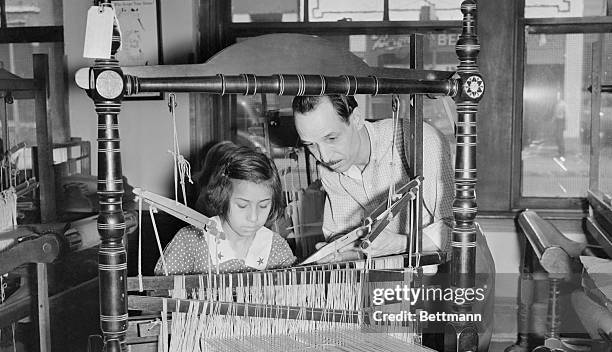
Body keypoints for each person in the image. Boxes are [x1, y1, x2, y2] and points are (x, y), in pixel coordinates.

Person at [292, 94, 454, 262]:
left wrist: (400, 244)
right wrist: (341, 249)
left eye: (332, 138)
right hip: (394, 280)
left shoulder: (419, 141)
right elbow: (343, 234)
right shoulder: (331, 168)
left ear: (356, 119)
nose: (324, 157)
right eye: (310, 144)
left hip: (455, 275)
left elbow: (458, 230)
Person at [154, 142, 296, 275]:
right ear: (223, 197)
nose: (253, 217)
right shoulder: (190, 242)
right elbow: (161, 294)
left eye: (263, 206)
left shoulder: (276, 248)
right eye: (242, 205)